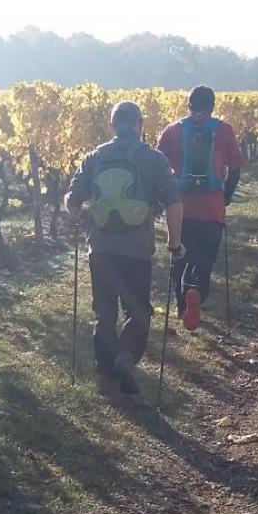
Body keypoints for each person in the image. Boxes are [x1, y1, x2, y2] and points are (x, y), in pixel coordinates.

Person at [65, 100, 184, 396]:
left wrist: (84, 216)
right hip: (137, 249)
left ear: (111, 126)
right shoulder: (154, 159)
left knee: (104, 311)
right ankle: (126, 356)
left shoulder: (94, 157)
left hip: (101, 248)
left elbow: (72, 200)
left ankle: (106, 372)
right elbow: (174, 203)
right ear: (140, 126)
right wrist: (174, 243)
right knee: (138, 310)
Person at [157, 85, 242, 330]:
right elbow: (235, 167)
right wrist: (226, 196)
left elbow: (158, 166)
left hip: (180, 208)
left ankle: (182, 306)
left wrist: (163, 198)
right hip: (212, 209)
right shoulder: (224, 130)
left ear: (189, 105)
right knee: (204, 258)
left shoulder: (172, 130)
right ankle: (196, 290)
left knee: (179, 256)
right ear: (213, 107)